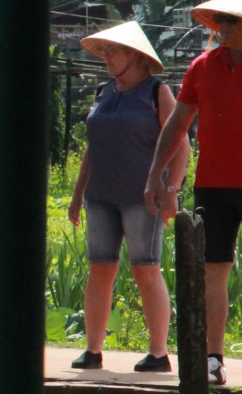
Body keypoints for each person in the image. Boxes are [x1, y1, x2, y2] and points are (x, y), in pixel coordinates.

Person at [145, 0, 242, 387]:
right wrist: (156, 174)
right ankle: (213, 359)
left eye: (231, 21)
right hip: (215, 186)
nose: (222, 27)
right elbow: (177, 124)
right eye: (219, 20)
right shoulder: (201, 67)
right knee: (212, 270)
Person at [68, 21, 176, 372]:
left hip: (142, 197)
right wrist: (76, 194)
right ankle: (93, 350)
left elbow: (181, 143)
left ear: (136, 55)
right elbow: (92, 147)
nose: (106, 56)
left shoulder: (157, 91)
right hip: (100, 196)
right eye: (105, 50)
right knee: (99, 268)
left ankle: (159, 353)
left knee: (146, 268)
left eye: (113, 50)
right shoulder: (104, 92)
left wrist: (170, 190)